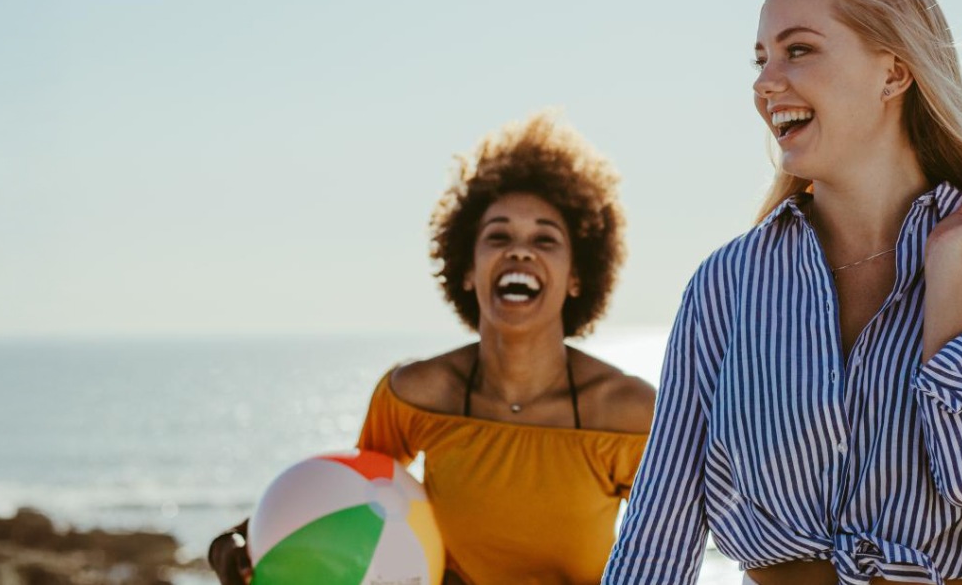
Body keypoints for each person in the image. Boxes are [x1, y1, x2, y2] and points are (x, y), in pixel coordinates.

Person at [602, 0, 962, 585]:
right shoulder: (729, 284)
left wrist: (946, 280)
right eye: (761, 58)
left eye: (798, 50)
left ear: (894, 73)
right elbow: (660, 525)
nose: (766, 82)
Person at [212, 113, 656, 585]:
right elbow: (355, 506)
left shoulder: (629, 412)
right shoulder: (414, 393)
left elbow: (664, 560)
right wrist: (248, 542)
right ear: (467, 269)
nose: (520, 252)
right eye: (498, 236)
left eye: (545, 238)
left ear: (576, 278)